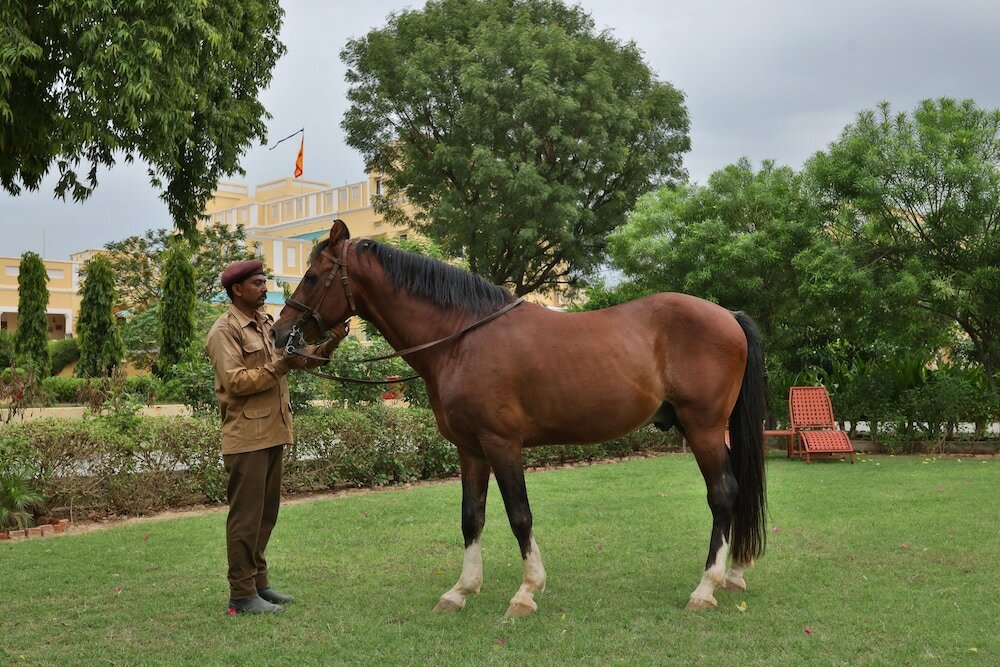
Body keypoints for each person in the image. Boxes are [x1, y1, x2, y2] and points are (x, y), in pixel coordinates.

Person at [206, 259, 347, 615]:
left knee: (266, 516)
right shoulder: (225, 330)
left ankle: (259, 584)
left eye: (264, 281)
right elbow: (236, 381)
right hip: (246, 437)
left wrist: (330, 343)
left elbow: (298, 360)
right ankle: (241, 594)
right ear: (237, 289)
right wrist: (283, 364)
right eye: (257, 283)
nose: (265, 288)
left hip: (272, 432)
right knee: (246, 518)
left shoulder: (266, 324)